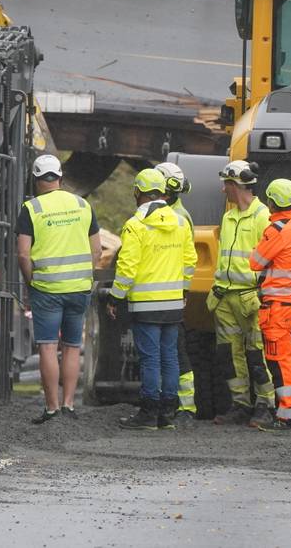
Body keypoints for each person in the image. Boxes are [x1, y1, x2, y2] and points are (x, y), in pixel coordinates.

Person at [16, 154, 101, 424]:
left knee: (48, 347)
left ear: (37, 180)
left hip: (47, 288)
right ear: (60, 178)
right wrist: (85, 276)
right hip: (78, 287)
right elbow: (96, 250)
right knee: (73, 347)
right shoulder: (82, 205)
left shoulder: (31, 209)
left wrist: (31, 282)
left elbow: (23, 255)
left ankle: (52, 408)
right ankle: (69, 405)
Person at [111, 168, 197, 431]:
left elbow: (127, 267)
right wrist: (182, 291)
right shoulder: (181, 222)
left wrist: (116, 296)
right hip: (173, 304)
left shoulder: (135, 225)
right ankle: (167, 414)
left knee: (150, 359)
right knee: (169, 357)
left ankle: (148, 414)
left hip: (146, 305)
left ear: (138, 192)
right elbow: (190, 261)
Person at [207, 160, 276, 428]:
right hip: (225, 297)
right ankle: (240, 403)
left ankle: (265, 405)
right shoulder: (229, 217)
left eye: (226, 184)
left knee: (257, 353)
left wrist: (264, 294)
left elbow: (270, 261)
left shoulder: (263, 217)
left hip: (251, 297)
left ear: (236, 185)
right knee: (229, 354)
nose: (223, 190)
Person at [248, 179, 291, 432]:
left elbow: (255, 261)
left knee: (278, 359)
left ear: (272, 201)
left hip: (278, 307)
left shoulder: (277, 229)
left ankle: (286, 415)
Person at [155, 161, 197, 425]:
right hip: (169, 295)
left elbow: (186, 262)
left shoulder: (177, 219)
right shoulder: (174, 215)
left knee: (175, 353)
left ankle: (185, 407)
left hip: (169, 297)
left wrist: (180, 292)